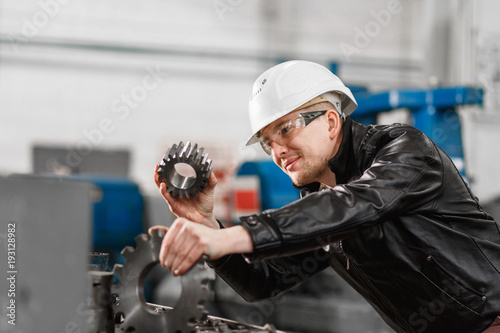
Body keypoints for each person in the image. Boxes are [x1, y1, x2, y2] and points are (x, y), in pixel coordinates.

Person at [150, 60, 500, 333]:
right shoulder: (321, 202)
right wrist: (207, 224)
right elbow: (262, 281)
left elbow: (355, 204)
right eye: (268, 141)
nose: (278, 150)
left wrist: (228, 236)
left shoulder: (405, 150)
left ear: (332, 122)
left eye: (285, 129)